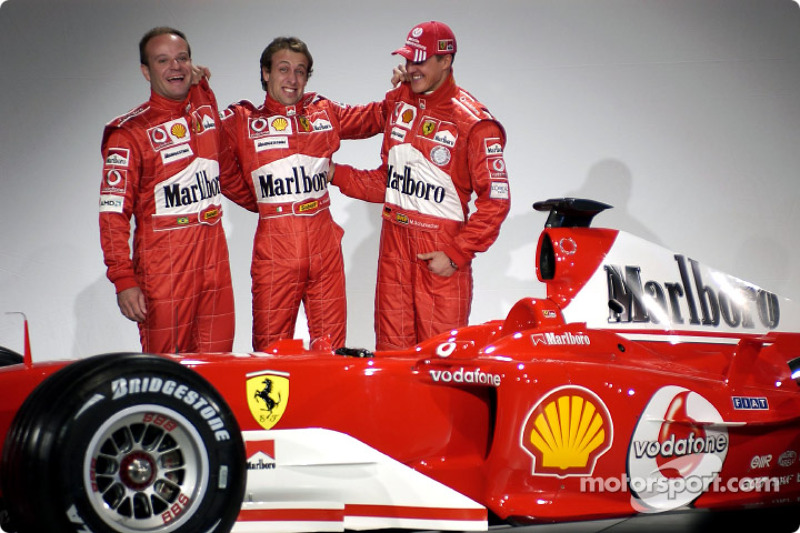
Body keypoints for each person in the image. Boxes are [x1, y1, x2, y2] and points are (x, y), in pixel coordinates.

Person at [331, 21, 511, 350]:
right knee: (391, 361)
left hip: (438, 257)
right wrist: (333, 172)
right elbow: (385, 184)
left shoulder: (475, 124)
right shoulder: (401, 103)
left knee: (440, 364)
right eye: (409, 60)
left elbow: (496, 202)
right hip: (393, 251)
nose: (412, 69)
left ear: (446, 61)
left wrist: (456, 255)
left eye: (421, 61)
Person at [219, 36, 386, 351]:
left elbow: (373, 118)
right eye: (283, 69)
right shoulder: (242, 121)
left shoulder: (323, 111)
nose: (292, 78)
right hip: (275, 248)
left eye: (300, 70)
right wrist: (262, 203)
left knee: (334, 349)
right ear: (266, 73)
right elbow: (216, 159)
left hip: (323, 243)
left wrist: (404, 89)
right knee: (270, 351)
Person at [99, 27, 250, 353]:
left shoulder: (205, 110)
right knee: (166, 378)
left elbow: (224, 171)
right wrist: (123, 280)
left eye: (182, 58)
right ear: (145, 71)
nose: (176, 67)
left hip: (215, 266)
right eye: (163, 60)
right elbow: (113, 215)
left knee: (218, 372)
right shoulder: (128, 133)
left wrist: (266, 204)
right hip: (165, 270)